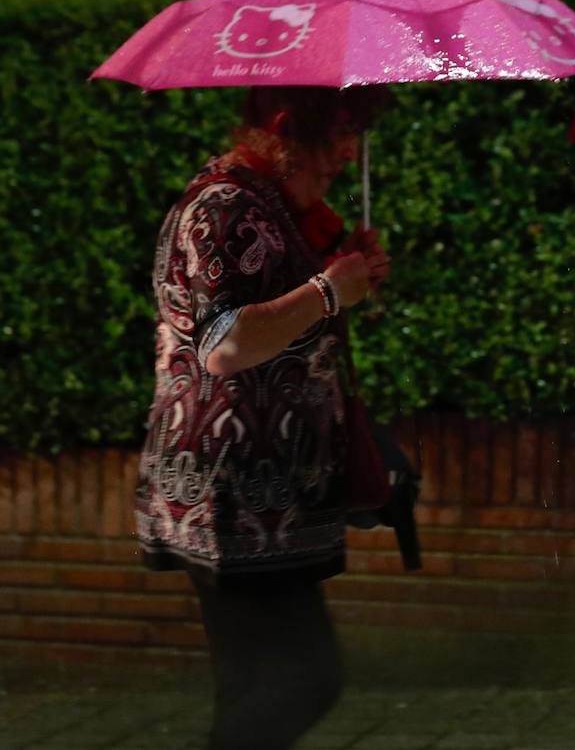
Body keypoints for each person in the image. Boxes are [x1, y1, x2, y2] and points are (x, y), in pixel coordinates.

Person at [135, 84, 391, 750]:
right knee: (305, 680)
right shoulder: (226, 207)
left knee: (252, 687)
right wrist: (330, 290)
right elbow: (225, 345)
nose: (348, 150)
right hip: (237, 494)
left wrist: (343, 274)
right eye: (337, 129)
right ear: (282, 127)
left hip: (250, 490)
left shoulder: (267, 205)